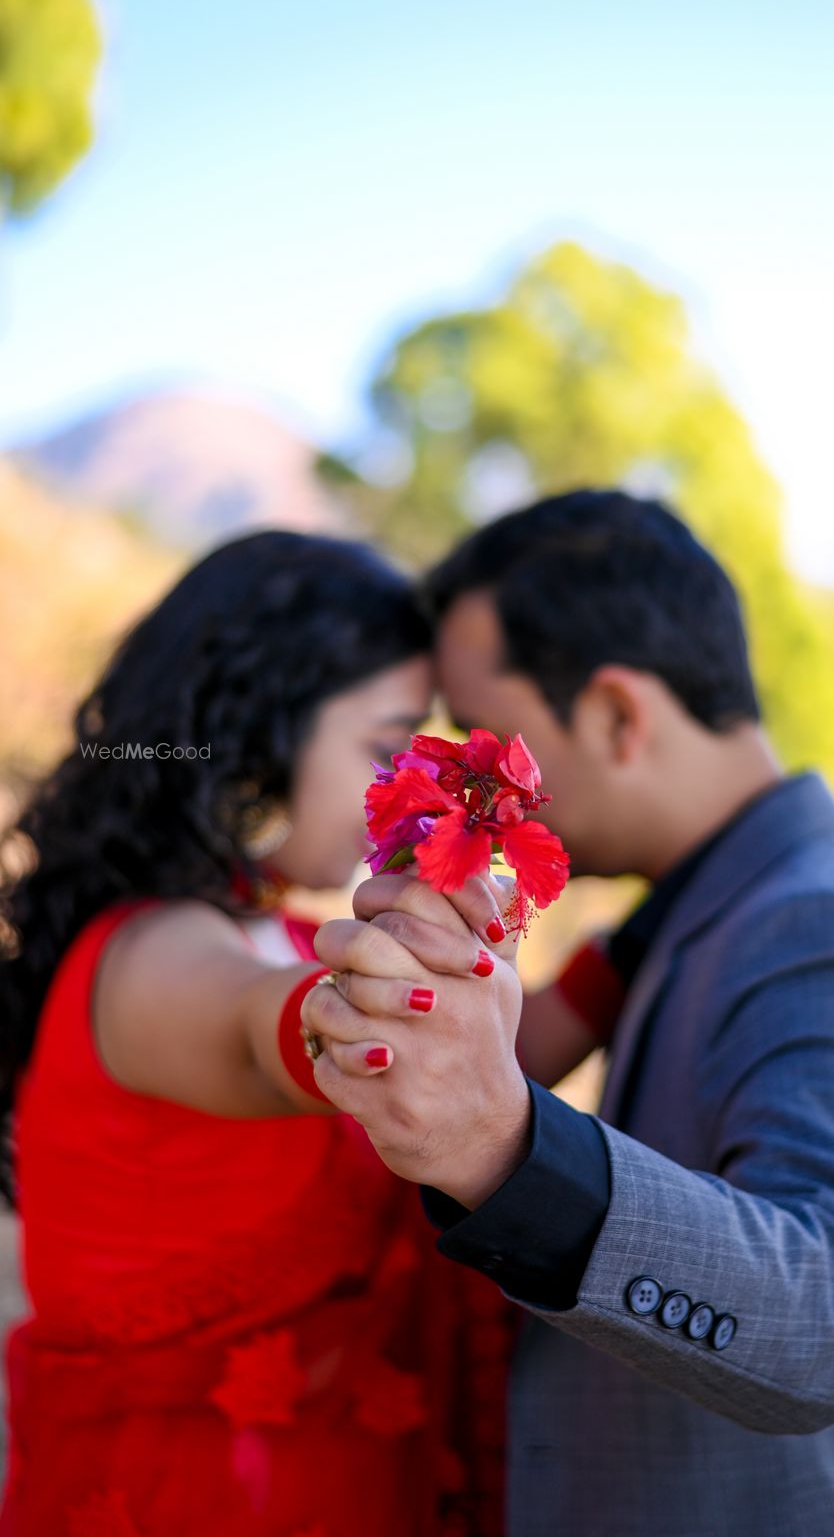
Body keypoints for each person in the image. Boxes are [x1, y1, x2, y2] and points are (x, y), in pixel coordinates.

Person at [302, 490, 834, 1536]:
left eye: (488, 728)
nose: (469, 767)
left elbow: (831, 1321)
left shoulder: (826, 921)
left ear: (618, 712)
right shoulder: (704, 907)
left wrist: (504, 1146)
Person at [0, 529, 540, 1537]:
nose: (408, 792)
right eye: (386, 748)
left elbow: (495, 1074)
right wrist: (378, 1005)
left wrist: (634, 940)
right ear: (257, 732)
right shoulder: (149, 958)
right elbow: (268, 1030)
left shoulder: (288, 925)